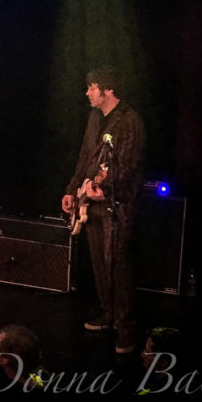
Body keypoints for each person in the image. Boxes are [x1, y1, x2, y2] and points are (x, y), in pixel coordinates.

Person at [61, 67, 145, 355]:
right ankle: (109, 315)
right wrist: (73, 190)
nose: (87, 93)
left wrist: (105, 188)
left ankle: (127, 328)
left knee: (117, 265)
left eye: (92, 87)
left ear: (107, 89)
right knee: (99, 262)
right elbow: (85, 158)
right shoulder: (95, 118)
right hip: (92, 202)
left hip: (117, 205)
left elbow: (127, 165)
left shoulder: (129, 121)